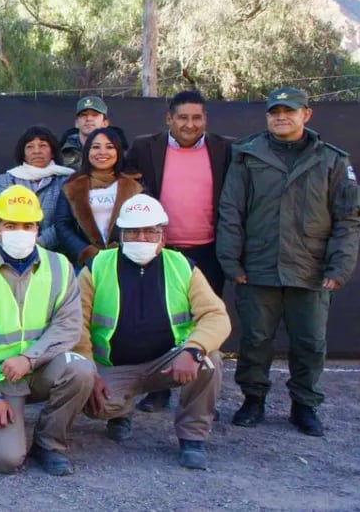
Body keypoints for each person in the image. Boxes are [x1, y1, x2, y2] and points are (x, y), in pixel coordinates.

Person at [217, 87, 360, 437]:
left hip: (310, 268)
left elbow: (348, 219)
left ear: (306, 114)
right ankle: (253, 400)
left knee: (310, 342)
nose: (281, 116)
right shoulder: (247, 155)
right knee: (255, 340)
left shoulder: (332, 160)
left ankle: (305, 406)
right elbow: (231, 210)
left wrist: (339, 267)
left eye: (289, 110)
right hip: (258, 266)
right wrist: (231, 261)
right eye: (274, 111)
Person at [78, 194, 230, 469]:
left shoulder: (183, 266)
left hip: (169, 361)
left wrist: (193, 350)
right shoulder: (97, 265)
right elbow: (77, 322)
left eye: (150, 231)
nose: (142, 237)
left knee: (209, 360)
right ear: (121, 235)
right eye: (133, 231)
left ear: (162, 236)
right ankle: (120, 412)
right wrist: (89, 370)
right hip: (112, 367)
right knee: (92, 404)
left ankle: (192, 437)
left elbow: (216, 315)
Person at [0, 186, 96, 476]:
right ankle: (0, 422)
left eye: (28, 225)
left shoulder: (60, 266)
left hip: (40, 368)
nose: (20, 231)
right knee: (5, 461)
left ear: (37, 229)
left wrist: (30, 359)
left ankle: (49, 443)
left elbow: (68, 326)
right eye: (11, 225)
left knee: (81, 369)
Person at [125, 90, 232, 413]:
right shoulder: (145, 147)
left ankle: (198, 396)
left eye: (197, 117)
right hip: (160, 249)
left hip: (209, 250)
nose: (190, 124)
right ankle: (158, 389)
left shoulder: (225, 149)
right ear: (169, 119)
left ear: (205, 120)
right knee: (158, 320)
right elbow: (126, 186)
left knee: (204, 320)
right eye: (182, 117)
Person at [54, 127, 143, 268]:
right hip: (85, 265)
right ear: (87, 151)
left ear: (118, 151)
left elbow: (143, 222)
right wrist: (87, 253)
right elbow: (62, 224)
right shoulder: (72, 185)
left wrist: (121, 251)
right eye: (96, 147)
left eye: (109, 147)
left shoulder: (135, 185)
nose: (102, 152)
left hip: (126, 261)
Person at [0, 126, 73, 251]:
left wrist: (40, 242)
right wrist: (24, 242)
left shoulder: (67, 179)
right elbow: (3, 217)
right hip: (15, 248)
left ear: (52, 151)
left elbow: (66, 219)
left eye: (43, 146)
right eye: (30, 147)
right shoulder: (8, 179)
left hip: (58, 250)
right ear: (23, 154)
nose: (37, 151)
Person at [59, 96, 111, 169]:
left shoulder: (115, 154)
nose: (89, 119)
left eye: (94, 115)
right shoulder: (61, 154)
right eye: (83, 115)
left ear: (105, 123)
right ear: (76, 123)